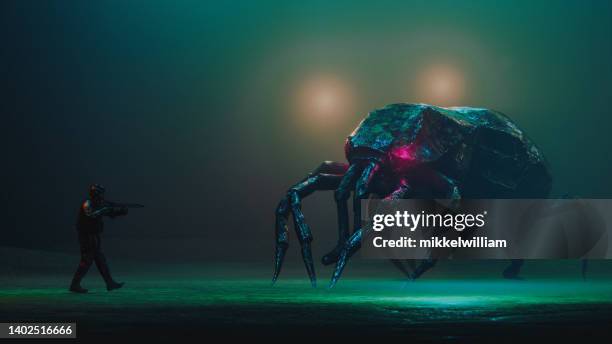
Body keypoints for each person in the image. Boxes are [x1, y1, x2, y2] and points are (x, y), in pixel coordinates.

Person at [69, 184, 127, 293]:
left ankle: (109, 283)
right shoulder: (88, 203)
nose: (102, 196)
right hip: (87, 236)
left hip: (94, 235)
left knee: (100, 260)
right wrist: (104, 209)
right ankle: (74, 285)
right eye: (100, 194)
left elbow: (109, 212)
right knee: (86, 260)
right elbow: (91, 214)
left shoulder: (98, 203)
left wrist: (120, 212)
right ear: (96, 193)